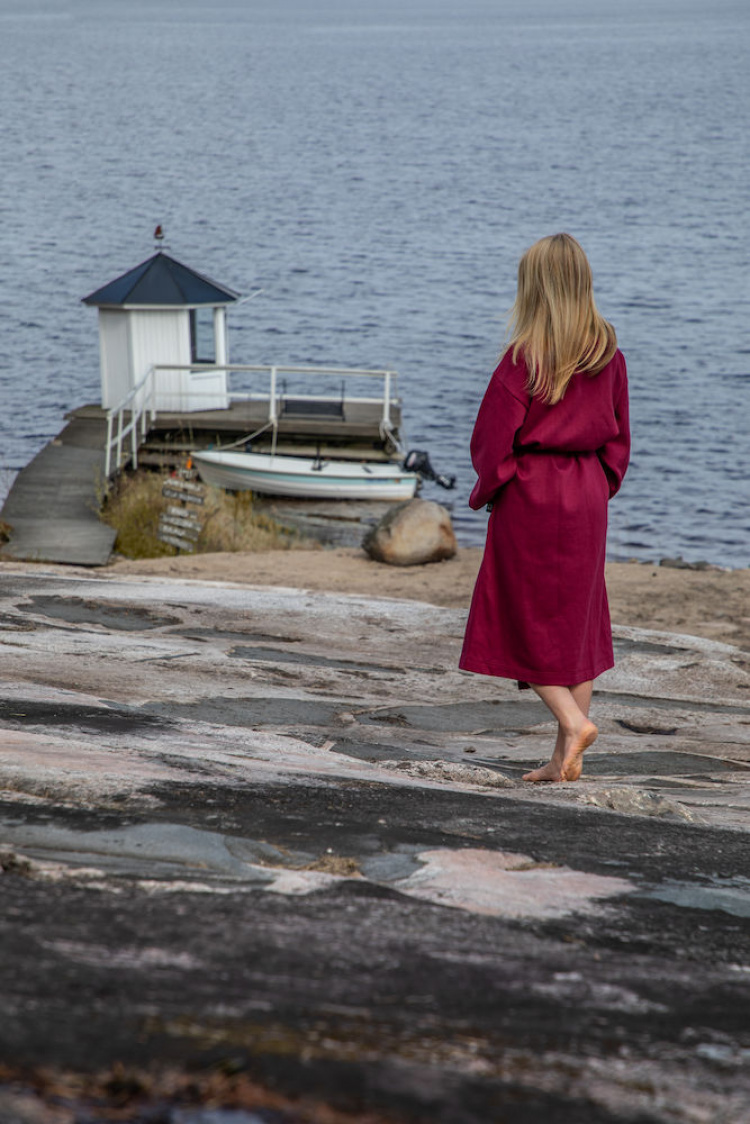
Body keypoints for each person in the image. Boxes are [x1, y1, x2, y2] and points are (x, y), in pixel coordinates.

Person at [459, 233, 630, 783]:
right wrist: (600, 480)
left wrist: (500, 483)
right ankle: (563, 758)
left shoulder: (523, 359)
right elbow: (620, 437)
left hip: (532, 494)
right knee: (575, 624)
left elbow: (490, 442)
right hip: (585, 495)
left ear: (534, 290)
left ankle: (572, 724)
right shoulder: (609, 355)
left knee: (519, 615)